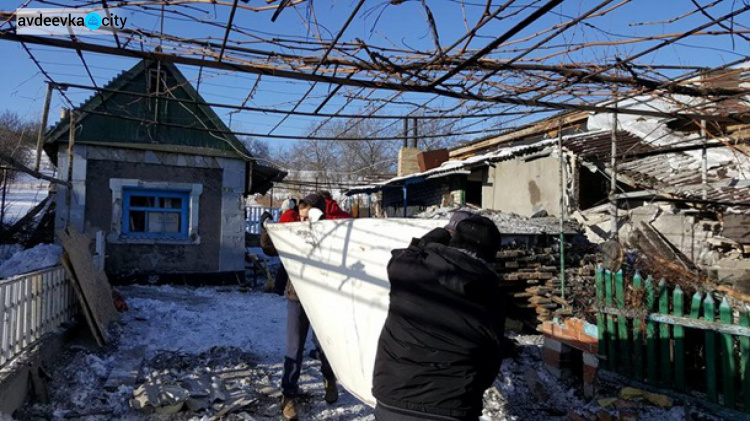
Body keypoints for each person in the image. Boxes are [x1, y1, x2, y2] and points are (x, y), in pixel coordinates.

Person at [373, 213, 505, 421]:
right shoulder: (490, 297)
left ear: (453, 241)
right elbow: (490, 362)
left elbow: (406, 254)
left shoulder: (409, 271)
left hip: (392, 399)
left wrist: (437, 235)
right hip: (450, 408)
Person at [279, 192, 339, 421]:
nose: (305, 222)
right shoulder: (293, 228)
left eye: (309, 217)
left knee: (325, 345)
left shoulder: (333, 231)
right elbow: (270, 247)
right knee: (294, 347)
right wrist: (271, 230)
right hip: (297, 295)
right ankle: (289, 397)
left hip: (324, 295)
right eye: (301, 217)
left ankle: (329, 378)